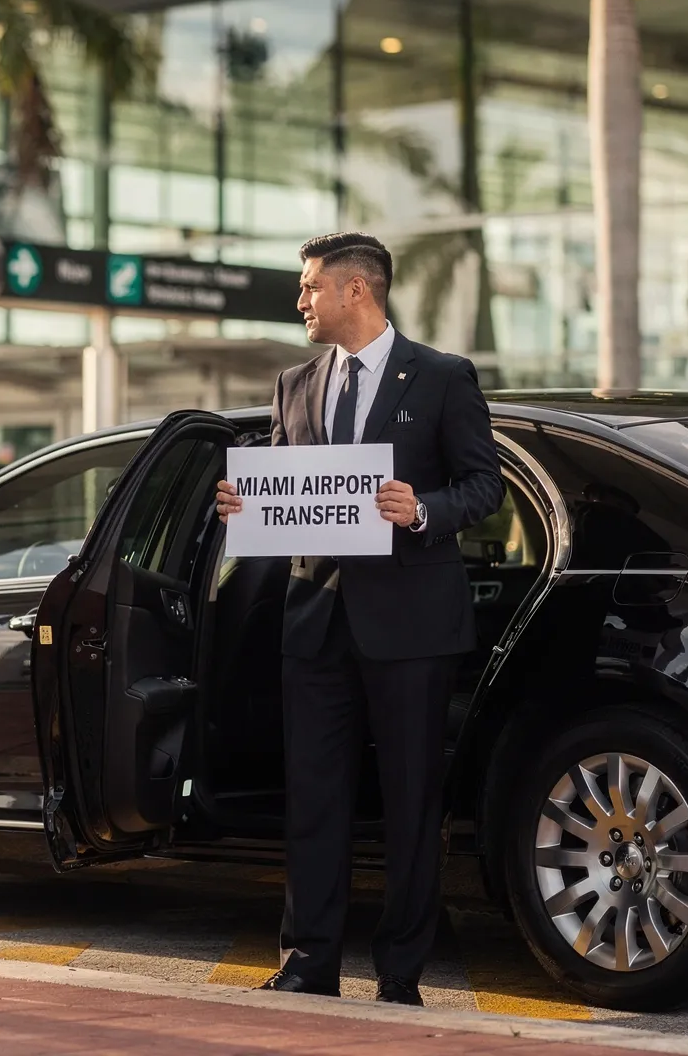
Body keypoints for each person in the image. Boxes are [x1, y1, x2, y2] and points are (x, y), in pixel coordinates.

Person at [215, 232, 502, 1006]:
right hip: (315, 623)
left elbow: (485, 487)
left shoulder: (443, 378)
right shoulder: (294, 383)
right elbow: (283, 484)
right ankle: (308, 961)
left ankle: (401, 974)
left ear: (356, 291)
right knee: (314, 799)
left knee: (411, 804)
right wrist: (246, 505)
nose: (299, 301)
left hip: (412, 627)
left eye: (309, 287)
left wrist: (424, 510)